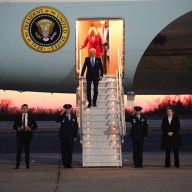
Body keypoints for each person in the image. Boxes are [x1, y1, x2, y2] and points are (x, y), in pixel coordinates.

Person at [13, 104, 37, 169]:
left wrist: (30, 128)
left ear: (27, 109)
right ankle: (17, 165)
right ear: (21, 109)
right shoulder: (17, 116)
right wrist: (19, 127)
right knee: (19, 151)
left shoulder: (31, 117)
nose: (24, 109)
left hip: (27, 136)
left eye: (25, 108)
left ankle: (27, 165)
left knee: (27, 151)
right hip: (20, 136)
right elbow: (14, 126)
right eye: (23, 108)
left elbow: (35, 126)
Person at [56, 104, 78, 168]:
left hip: (71, 137)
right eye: (66, 109)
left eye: (69, 109)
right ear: (65, 109)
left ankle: (69, 164)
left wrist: (75, 136)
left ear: (71, 109)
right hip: (63, 137)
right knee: (63, 150)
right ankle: (65, 164)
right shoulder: (62, 116)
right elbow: (56, 120)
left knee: (70, 150)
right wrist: (61, 113)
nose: (68, 110)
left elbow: (76, 127)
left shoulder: (74, 117)